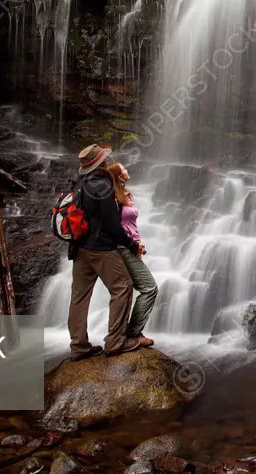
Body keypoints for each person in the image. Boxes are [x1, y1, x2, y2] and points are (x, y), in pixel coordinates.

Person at [66, 143, 142, 360]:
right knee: (123, 286)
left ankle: (78, 346)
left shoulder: (80, 183)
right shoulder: (103, 186)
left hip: (79, 247)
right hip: (100, 248)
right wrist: (131, 244)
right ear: (102, 162)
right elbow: (112, 225)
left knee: (79, 297)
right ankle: (115, 341)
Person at [106, 162, 158, 347]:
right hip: (123, 248)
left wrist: (138, 244)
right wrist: (131, 245)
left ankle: (128, 332)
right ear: (119, 176)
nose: (127, 170)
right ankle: (133, 333)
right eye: (124, 169)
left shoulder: (125, 195)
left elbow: (130, 225)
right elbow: (115, 228)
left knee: (132, 289)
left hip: (131, 246)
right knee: (149, 288)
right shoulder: (112, 198)